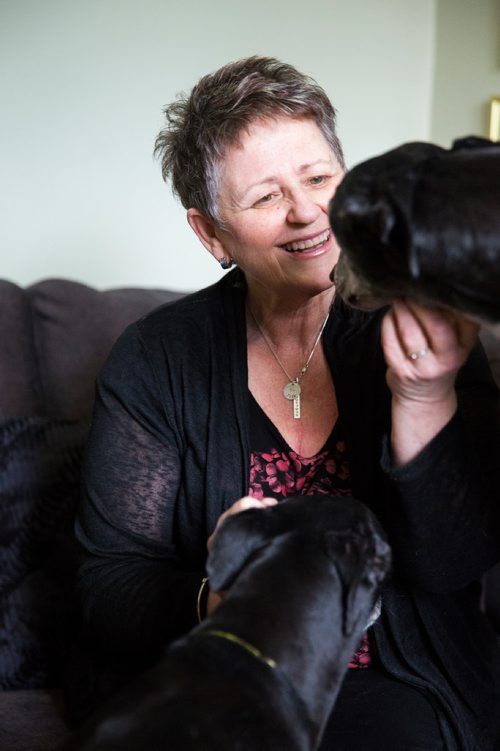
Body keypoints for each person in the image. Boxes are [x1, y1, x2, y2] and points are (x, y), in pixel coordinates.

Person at [73, 56, 500, 749]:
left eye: (319, 178)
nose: (307, 212)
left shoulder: (427, 326)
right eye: (266, 196)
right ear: (211, 233)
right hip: (228, 677)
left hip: (400, 681)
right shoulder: (155, 357)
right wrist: (221, 599)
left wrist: (425, 394)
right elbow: (110, 583)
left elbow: (453, 566)